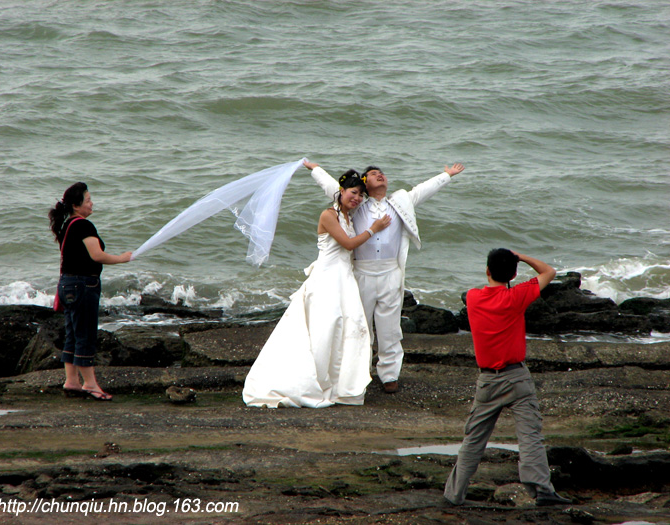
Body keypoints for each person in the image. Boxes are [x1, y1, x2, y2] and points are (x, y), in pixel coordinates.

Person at [307, 160, 465, 393]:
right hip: (362, 273)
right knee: (360, 327)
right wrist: (315, 170)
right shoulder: (357, 205)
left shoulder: (400, 201)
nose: (379, 175)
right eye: (372, 173)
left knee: (390, 328)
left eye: (381, 173)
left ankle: (389, 375)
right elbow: (334, 188)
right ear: (364, 184)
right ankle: (359, 372)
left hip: (391, 272)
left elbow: (422, 190)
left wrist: (446, 175)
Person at [243, 170, 391, 408]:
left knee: (344, 327)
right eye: (353, 193)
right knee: (326, 326)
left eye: (361, 195)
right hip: (328, 279)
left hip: (344, 279)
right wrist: (374, 228)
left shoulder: (348, 217)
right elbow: (348, 243)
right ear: (341, 191)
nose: (357, 198)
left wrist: (315, 168)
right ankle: (313, 381)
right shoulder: (328, 215)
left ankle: (338, 383)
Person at [443, 249, 573, 507]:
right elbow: (549, 272)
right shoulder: (516, 296)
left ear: (487, 271)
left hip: (487, 381)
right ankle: (542, 490)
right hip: (516, 378)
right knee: (530, 436)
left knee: (473, 440)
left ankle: (454, 495)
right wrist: (522, 257)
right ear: (513, 274)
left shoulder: (473, 297)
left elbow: (489, 288)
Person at [48, 182, 132, 401]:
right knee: (85, 333)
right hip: (83, 285)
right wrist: (122, 258)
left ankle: (72, 381)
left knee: (73, 333)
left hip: (67, 284)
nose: (92, 202)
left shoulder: (67, 225)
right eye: (88, 200)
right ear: (76, 206)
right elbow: (97, 255)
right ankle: (90, 385)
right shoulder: (84, 225)